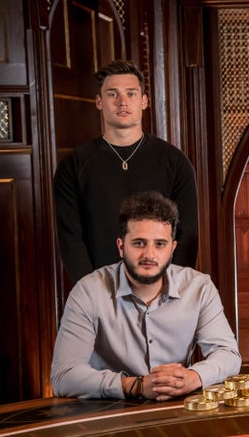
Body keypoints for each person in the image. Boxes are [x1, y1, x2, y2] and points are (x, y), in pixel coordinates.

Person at [51, 191, 241, 400]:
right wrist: (136, 386)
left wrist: (194, 377)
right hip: (108, 412)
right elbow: (63, 376)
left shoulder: (199, 288)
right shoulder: (87, 292)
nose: (149, 255)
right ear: (121, 247)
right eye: (139, 243)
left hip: (177, 409)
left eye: (160, 244)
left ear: (172, 248)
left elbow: (229, 355)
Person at [54, 60, 199, 284]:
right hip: (99, 288)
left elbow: (186, 234)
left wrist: (168, 289)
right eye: (113, 94)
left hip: (161, 288)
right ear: (99, 102)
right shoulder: (73, 166)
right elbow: (71, 238)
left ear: (143, 101)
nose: (122, 102)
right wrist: (92, 291)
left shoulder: (175, 162)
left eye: (131, 94)